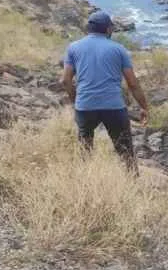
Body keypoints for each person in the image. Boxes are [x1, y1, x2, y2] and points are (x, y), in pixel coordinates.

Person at [62, 10, 149, 173]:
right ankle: (132, 182)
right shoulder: (118, 49)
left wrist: (76, 101)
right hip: (113, 106)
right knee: (125, 150)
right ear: (108, 29)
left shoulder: (73, 47)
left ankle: (84, 182)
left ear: (89, 28)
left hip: (85, 106)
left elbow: (66, 80)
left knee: (85, 148)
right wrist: (144, 107)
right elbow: (133, 83)